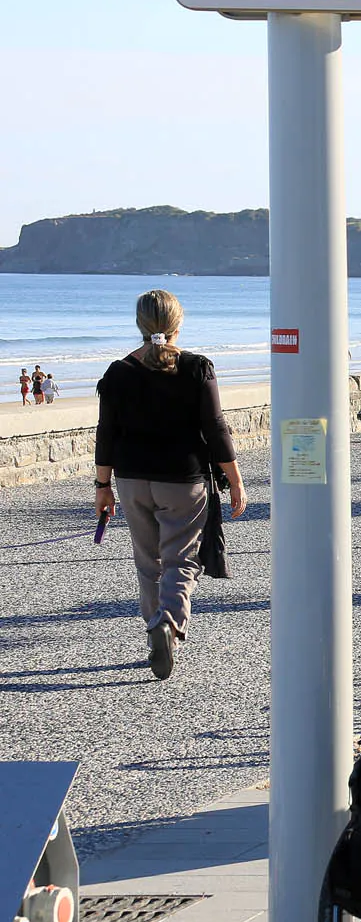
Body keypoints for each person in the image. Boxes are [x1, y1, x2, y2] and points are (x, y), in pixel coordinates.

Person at [95, 289, 246, 680]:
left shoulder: (117, 372)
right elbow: (215, 428)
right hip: (183, 480)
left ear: (140, 325)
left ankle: (154, 632)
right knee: (181, 560)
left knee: (148, 562)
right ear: (177, 324)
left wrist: (102, 486)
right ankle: (170, 624)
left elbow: (106, 433)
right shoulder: (197, 368)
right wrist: (234, 478)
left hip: (130, 479)